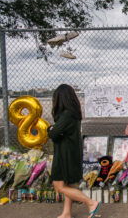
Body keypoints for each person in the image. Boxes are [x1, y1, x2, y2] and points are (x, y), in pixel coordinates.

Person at [48, 84, 101, 218]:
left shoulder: (67, 115)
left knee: (58, 185)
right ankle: (66, 213)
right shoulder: (73, 114)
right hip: (72, 152)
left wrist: (50, 129)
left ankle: (91, 202)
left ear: (60, 99)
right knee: (70, 184)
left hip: (65, 154)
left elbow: (54, 134)